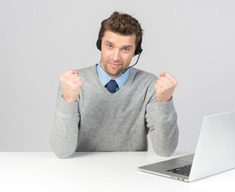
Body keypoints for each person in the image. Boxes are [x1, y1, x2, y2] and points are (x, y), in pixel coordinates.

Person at [51, 11, 179, 159]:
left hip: (131, 173)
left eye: (125, 49)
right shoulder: (73, 83)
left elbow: (165, 150)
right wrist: (68, 100)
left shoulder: (149, 84)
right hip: (83, 171)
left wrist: (165, 102)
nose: (116, 57)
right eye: (110, 46)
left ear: (136, 52)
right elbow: (62, 151)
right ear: (100, 45)